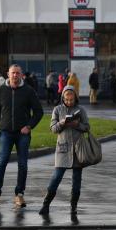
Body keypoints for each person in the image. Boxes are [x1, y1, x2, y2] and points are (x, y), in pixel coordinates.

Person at [0, 64, 43, 208]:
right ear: (8, 74)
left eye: (17, 73)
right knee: (1, 162)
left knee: (23, 164)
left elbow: (39, 112)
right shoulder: (0, 90)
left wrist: (29, 126)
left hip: (22, 133)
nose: (15, 76)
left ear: (21, 75)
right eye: (13, 73)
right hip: (5, 132)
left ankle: (19, 195)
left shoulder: (28, 91)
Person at [38, 85, 90, 216]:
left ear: (75, 98)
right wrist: (61, 123)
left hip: (78, 149)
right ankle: (46, 204)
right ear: (63, 98)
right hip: (63, 149)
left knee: (77, 181)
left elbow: (87, 127)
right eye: (66, 99)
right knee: (56, 178)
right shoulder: (57, 109)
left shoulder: (81, 110)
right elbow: (53, 129)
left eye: (71, 99)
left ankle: (73, 206)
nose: (69, 102)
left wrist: (77, 125)